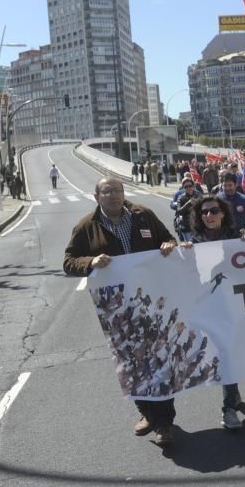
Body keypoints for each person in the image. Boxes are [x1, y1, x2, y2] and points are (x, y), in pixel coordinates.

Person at [62, 177, 178, 446]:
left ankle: (165, 422)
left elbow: (168, 238)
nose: (114, 195)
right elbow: (68, 261)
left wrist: (168, 245)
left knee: (160, 360)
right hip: (118, 310)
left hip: (152, 301)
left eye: (118, 190)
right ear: (96, 196)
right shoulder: (87, 227)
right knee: (133, 362)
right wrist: (90, 261)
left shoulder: (143, 216)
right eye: (107, 191)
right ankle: (146, 413)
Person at [215, 173, 245, 237]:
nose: (227, 188)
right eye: (225, 185)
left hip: (241, 236)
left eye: (230, 185)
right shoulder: (217, 200)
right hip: (222, 236)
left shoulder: (244, 200)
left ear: (236, 184)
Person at [170, 177, 201, 242]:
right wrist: (188, 204)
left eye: (190, 186)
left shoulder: (198, 195)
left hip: (198, 226)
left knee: (200, 245)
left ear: (193, 186)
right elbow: (179, 211)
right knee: (190, 247)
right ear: (183, 188)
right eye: (186, 187)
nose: (188, 188)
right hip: (187, 226)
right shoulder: (181, 197)